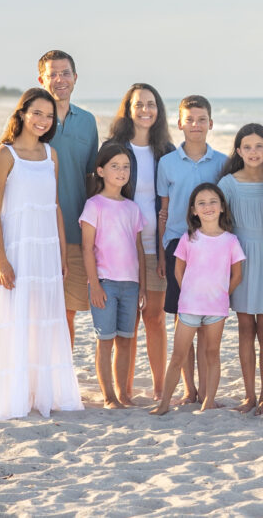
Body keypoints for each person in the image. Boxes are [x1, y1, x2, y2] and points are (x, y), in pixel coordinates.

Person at [0, 88, 83, 419]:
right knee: (14, 318)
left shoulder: (51, 155)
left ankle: (41, 391)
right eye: (37, 113)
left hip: (47, 250)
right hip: (16, 249)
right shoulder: (5, 155)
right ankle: (13, 395)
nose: (43, 120)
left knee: (44, 320)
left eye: (49, 116)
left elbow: (55, 207)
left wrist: (62, 255)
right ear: (22, 113)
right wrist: (2, 260)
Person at [106, 83, 175, 402]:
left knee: (155, 318)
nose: (145, 110)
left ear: (158, 110)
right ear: (128, 109)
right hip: (121, 249)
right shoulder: (114, 148)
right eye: (138, 104)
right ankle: (124, 389)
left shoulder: (167, 152)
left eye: (151, 104)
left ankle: (161, 387)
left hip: (157, 248)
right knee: (127, 321)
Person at [151, 184, 245, 415]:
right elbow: (179, 271)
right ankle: (164, 404)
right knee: (178, 356)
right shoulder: (188, 238)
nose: (208, 207)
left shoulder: (231, 241)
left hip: (217, 308)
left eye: (213, 201)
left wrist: (222, 293)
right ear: (193, 210)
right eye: (201, 203)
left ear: (222, 207)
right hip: (189, 307)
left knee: (212, 353)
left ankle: (208, 401)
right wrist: (190, 294)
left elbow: (237, 275)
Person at [156, 95, 226, 405]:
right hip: (176, 245)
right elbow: (163, 210)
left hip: (211, 249)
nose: (195, 124)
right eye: (190, 119)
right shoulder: (167, 163)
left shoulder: (222, 162)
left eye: (201, 119)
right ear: (180, 123)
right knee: (182, 320)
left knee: (207, 321)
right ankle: (188, 389)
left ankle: (208, 389)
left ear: (211, 123)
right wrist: (161, 254)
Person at [37, 50, 98, 349]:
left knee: (67, 312)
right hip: (36, 231)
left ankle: (61, 380)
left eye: (65, 73)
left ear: (75, 78)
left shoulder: (87, 122)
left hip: (73, 230)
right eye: (53, 74)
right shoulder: (33, 121)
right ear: (41, 79)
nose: (60, 80)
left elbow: (91, 179)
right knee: (38, 311)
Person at [80, 143, 147, 409]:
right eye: (115, 166)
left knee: (126, 341)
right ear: (101, 170)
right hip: (105, 283)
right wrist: (94, 285)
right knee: (105, 341)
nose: (121, 171)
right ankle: (109, 397)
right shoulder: (93, 205)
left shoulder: (132, 208)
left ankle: (123, 395)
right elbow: (87, 248)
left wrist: (141, 285)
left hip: (130, 285)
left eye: (126, 166)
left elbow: (138, 248)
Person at [218, 123, 263, 416]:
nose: (253, 152)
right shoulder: (228, 183)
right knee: (244, 327)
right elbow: (218, 226)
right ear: (238, 150)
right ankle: (249, 395)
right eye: (247, 147)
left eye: (259, 146)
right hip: (240, 259)